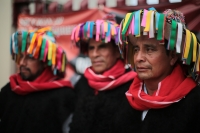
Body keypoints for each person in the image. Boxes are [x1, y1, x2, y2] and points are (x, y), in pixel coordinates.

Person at [111, 8, 200, 133]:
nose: (139, 58)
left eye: (149, 49)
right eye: (136, 49)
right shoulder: (127, 96)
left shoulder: (195, 102)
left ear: (173, 56)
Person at [0, 27, 75, 133]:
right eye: (21, 56)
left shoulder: (63, 95)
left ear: (45, 61)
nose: (22, 63)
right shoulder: (9, 90)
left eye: (30, 57)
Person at [69, 17, 136, 133]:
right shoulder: (83, 83)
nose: (95, 54)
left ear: (117, 52)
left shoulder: (133, 86)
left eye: (102, 47)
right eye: (91, 48)